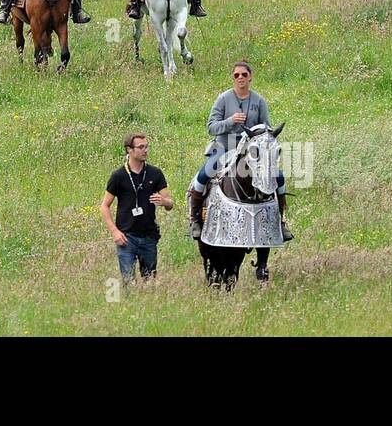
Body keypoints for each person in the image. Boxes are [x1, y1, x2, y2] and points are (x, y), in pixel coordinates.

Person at [186, 60, 291, 240]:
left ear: (250, 77)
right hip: (225, 146)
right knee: (205, 173)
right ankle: (195, 219)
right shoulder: (223, 99)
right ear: (233, 78)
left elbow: (267, 126)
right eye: (236, 75)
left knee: (278, 176)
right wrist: (230, 121)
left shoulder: (259, 100)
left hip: (252, 150)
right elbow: (211, 127)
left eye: (244, 74)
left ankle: (281, 221)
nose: (240, 78)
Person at [101, 134, 173, 283]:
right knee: (129, 281)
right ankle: (128, 304)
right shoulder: (118, 176)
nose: (145, 150)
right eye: (141, 147)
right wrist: (114, 231)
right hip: (127, 237)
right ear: (129, 150)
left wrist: (164, 201)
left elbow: (170, 204)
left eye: (146, 146)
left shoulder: (155, 173)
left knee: (150, 281)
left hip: (149, 237)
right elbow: (104, 206)